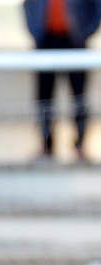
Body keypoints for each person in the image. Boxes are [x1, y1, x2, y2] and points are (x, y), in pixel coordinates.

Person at [23, 0, 101, 162]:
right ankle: (46, 145)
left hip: (75, 41)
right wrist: (36, 31)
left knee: (79, 95)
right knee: (44, 95)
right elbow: (28, 5)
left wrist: (86, 32)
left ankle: (80, 145)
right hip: (45, 41)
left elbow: (96, 6)